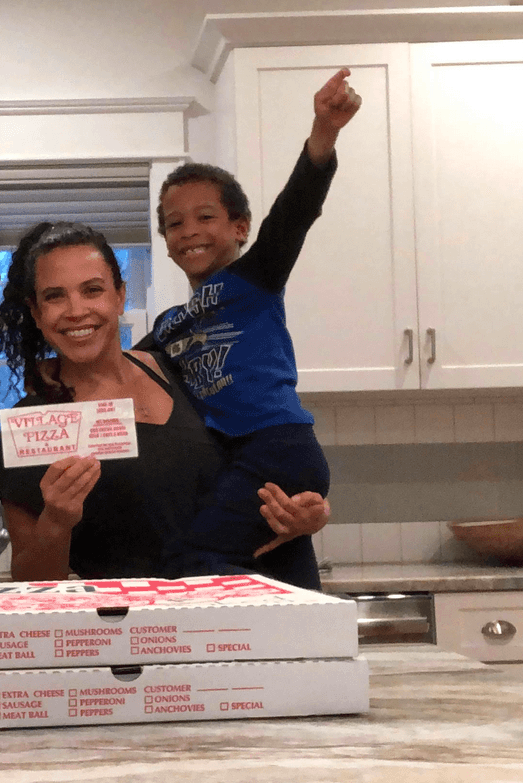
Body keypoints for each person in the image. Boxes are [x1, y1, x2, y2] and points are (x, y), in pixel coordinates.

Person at [0, 221, 330, 585]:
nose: (76, 310)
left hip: (266, 605)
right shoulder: (33, 429)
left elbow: (257, 453)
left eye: (92, 290)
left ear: (120, 296)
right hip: (151, 631)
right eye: (54, 296)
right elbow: (29, 582)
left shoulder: (180, 365)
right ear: (37, 313)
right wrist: (56, 521)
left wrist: (308, 514)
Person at [144, 68, 361, 586]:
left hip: (277, 447)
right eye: (174, 224)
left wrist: (323, 133)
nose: (189, 231)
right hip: (232, 462)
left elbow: (294, 214)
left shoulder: (253, 279)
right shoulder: (170, 328)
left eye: (205, 217)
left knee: (186, 566)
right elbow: (120, 369)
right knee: (274, 570)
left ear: (239, 228)